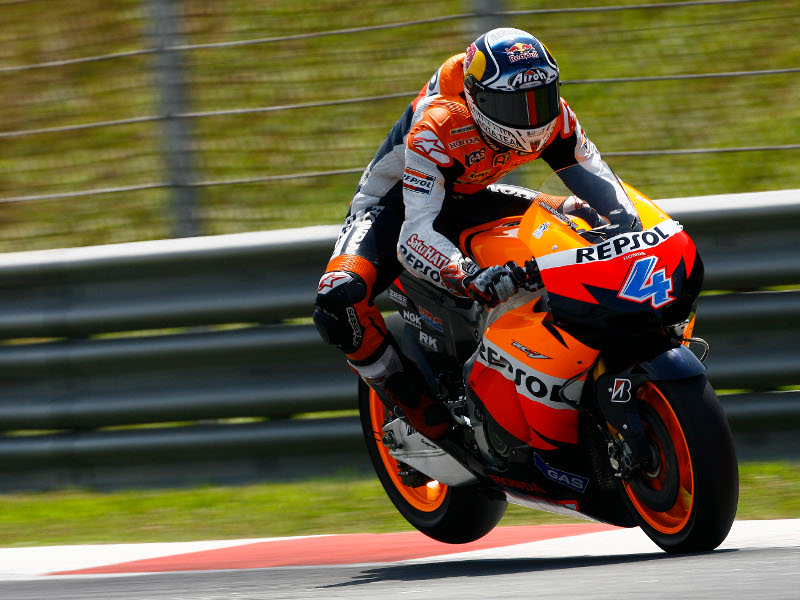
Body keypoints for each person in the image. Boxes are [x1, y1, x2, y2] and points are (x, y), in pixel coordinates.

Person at [313, 27, 637, 440]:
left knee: (584, 216)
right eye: (513, 104)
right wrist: (467, 275)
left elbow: (603, 183)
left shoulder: (556, 115)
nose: (531, 117)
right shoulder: (440, 122)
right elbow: (415, 234)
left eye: (539, 99)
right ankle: (416, 406)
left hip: (471, 195)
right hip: (397, 207)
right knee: (337, 298)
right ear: (476, 98)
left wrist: (630, 228)